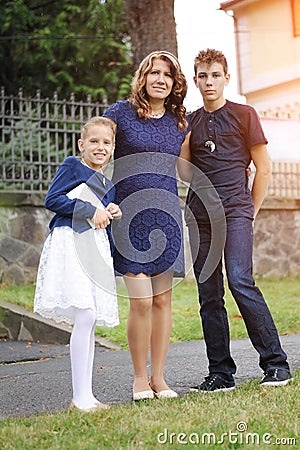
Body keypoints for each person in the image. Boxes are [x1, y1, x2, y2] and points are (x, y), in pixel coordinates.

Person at [179, 48, 292, 392]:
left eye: (215, 75)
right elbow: (183, 170)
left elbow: (265, 168)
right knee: (208, 293)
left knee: (241, 280)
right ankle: (221, 373)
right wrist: (182, 131)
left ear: (227, 78)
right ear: (195, 80)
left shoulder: (245, 114)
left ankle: (276, 365)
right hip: (200, 216)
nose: (209, 81)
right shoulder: (191, 120)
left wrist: (250, 210)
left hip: (236, 210)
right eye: (202, 75)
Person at [104, 51, 190, 400]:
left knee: (162, 303)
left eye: (167, 75)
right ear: (143, 77)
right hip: (128, 216)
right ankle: (139, 378)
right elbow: (96, 153)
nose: (160, 79)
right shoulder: (119, 114)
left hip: (166, 216)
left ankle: (160, 379)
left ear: (174, 82)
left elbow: (186, 169)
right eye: (154, 73)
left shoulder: (179, 122)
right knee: (140, 302)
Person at [34, 116, 122, 411]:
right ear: (81, 144)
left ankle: (87, 396)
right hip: (70, 243)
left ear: (112, 148)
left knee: (91, 317)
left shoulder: (106, 181)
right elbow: (53, 199)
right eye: (94, 141)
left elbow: (98, 215)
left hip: (93, 248)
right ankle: (79, 397)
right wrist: (88, 209)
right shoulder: (73, 166)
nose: (100, 147)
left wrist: (109, 210)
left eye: (106, 143)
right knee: (84, 314)